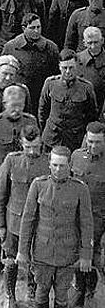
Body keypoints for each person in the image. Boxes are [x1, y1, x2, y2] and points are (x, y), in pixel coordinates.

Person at [0, 84, 39, 282]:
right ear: (4, 104)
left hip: (23, 186)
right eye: (12, 106)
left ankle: (25, 267)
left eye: (20, 105)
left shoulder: (31, 121)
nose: (16, 109)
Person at [18, 146, 93, 308]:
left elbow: (86, 223)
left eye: (62, 165)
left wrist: (86, 254)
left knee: (62, 294)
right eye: (55, 165)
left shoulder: (80, 189)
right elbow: (28, 220)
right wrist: (22, 251)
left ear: (69, 166)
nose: (58, 169)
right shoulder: (38, 185)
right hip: (42, 253)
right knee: (41, 291)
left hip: (67, 253)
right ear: (49, 165)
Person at [0, 124, 48, 308]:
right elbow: (0, 194)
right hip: (14, 222)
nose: (32, 151)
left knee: (35, 260)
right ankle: (10, 295)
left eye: (36, 147)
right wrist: (0, 224)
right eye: (27, 147)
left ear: (41, 142)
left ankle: (32, 290)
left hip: (38, 224)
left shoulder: (49, 163)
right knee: (11, 261)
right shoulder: (12, 161)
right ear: (21, 144)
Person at [69, 122, 105, 307]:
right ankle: (79, 285)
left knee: (93, 257)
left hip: (99, 221)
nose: (93, 146)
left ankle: (90, 285)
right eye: (90, 141)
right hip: (77, 219)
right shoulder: (76, 156)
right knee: (77, 254)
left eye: (98, 142)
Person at [39, 49, 98, 151]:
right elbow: (43, 110)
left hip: (75, 139)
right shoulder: (50, 83)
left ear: (77, 66)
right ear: (59, 67)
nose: (67, 71)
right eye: (64, 68)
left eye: (71, 68)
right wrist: (45, 129)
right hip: (51, 138)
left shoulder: (86, 87)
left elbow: (92, 115)